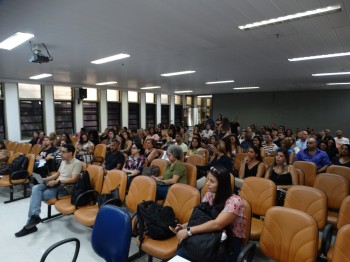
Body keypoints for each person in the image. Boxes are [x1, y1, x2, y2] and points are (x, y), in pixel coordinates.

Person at [172, 165, 246, 261]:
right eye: (208, 180)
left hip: (227, 243)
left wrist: (189, 231)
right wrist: (184, 226)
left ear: (222, 184)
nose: (207, 184)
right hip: (207, 235)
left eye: (212, 181)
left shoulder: (235, 202)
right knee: (181, 255)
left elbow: (217, 224)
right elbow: (202, 219)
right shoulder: (209, 195)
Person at [15, 144, 82, 237]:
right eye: (60, 151)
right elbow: (58, 173)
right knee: (35, 188)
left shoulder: (77, 163)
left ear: (70, 153)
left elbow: (74, 179)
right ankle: (34, 217)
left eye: (63, 152)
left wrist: (57, 182)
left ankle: (30, 224)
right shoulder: (63, 161)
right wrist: (46, 179)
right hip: (56, 184)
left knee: (37, 195)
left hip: (64, 189)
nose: (60, 153)